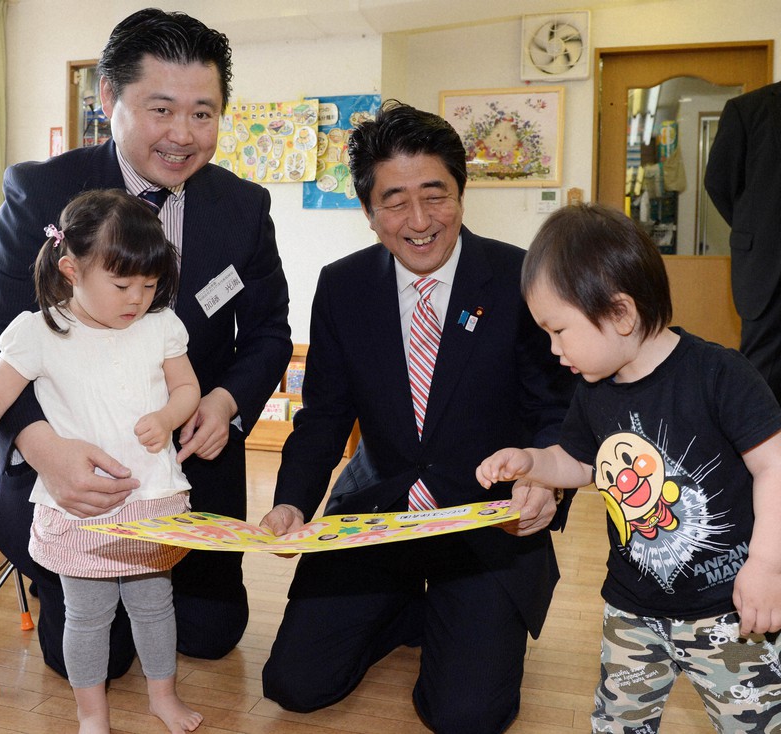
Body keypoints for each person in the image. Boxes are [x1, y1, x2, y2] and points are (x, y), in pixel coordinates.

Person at [0, 9, 292, 680]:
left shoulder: (243, 208)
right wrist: (41, 448)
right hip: (72, 477)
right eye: (161, 109)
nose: (183, 135)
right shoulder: (41, 193)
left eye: (203, 113)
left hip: (185, 467)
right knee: (96, 659)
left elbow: (269, 331)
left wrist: (224, 401)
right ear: (108, 99)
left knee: (212, 637)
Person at [260, 100, 576, 733]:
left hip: (486, 520)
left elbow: (556, 409)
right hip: (380, 510)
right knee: (294, 685)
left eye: (436, 195)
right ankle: (404, 605)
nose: (419, 220)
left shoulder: (520, 276)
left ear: (461, 191)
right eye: (395, 201)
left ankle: (460, 616)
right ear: (369, 210)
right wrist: (292, 501)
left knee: (466, 717)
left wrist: (545, 479)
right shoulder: (343, 286)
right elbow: (323, 415)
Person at [476, 202, 781, 733]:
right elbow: (575, 463)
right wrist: (531, 461)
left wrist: (768, 568)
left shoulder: (719, 374)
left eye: (559, 331)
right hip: (632, 610)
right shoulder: (593, 391)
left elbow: (775, 468)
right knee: (617, 724)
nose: (552, 349)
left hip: (731, 611)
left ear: (620, 313)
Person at [0, 189, 202, 733]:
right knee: (86, 616)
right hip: (83, 508)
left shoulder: (159, 326)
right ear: (71, 269)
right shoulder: (40, 331)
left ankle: (162, 696)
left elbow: (188, 388)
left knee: (155, 606)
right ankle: (92, 715)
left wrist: (170, 416)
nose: (137, 298)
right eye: (123, 284)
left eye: (149, 285)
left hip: (151, 496)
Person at [704, 82, 781, 402]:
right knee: (762, 371)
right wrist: (758, 226)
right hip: (767, 266)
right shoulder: (750, 109)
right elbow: (720, 183)